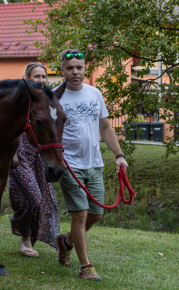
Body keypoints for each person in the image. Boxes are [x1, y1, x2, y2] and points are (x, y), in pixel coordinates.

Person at [54, 49, 129, 280]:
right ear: (62, 71)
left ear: (85, 69)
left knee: (96, 214)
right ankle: (86, 266)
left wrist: (119, 155)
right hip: (68, 163)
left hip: (94, 162)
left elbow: (105, 127)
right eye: (70, 68)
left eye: (79, 67)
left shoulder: (94, 93)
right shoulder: (54, 97)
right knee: (81, 214)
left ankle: (66, 241)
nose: (75, 72)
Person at [8, 62, 59, 257]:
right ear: (27, 78)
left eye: (44, 77)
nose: (41, 80)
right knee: (33, 198)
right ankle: (25, 238)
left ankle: (32, 237)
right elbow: (8, 127)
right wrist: (11, 154)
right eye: (37, 77)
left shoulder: (47, 99)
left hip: (40, 154)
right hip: (20, 154)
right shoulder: (18, 99)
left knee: (45, 198)